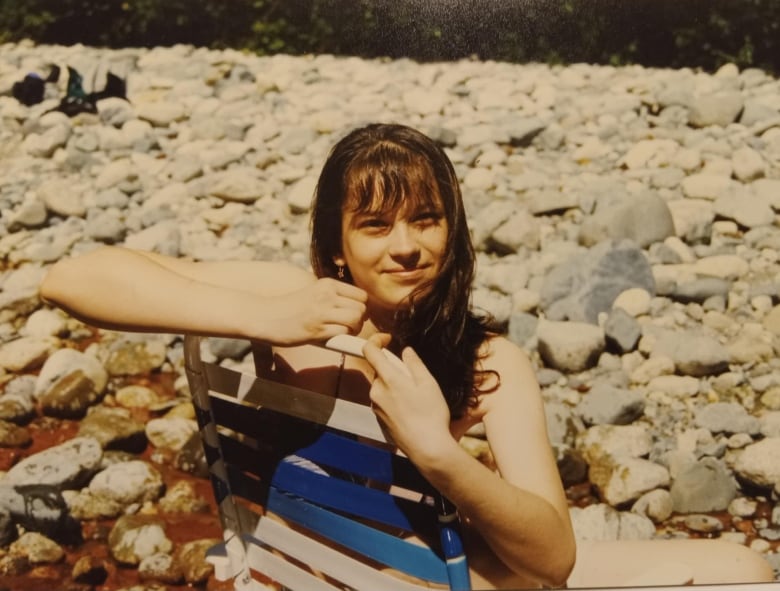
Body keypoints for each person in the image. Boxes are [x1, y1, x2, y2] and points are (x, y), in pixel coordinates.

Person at [40, 123, 774, 588]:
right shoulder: (291, 304)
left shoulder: (485, 360)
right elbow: (66, 279)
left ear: (452, 229)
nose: (406, 245)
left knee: (744, 565)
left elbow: (554, 556)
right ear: (336, 243)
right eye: (375, 223)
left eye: (426, 218)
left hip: (299, 570)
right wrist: (269, 314)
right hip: (407, 579)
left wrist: (439, 453)